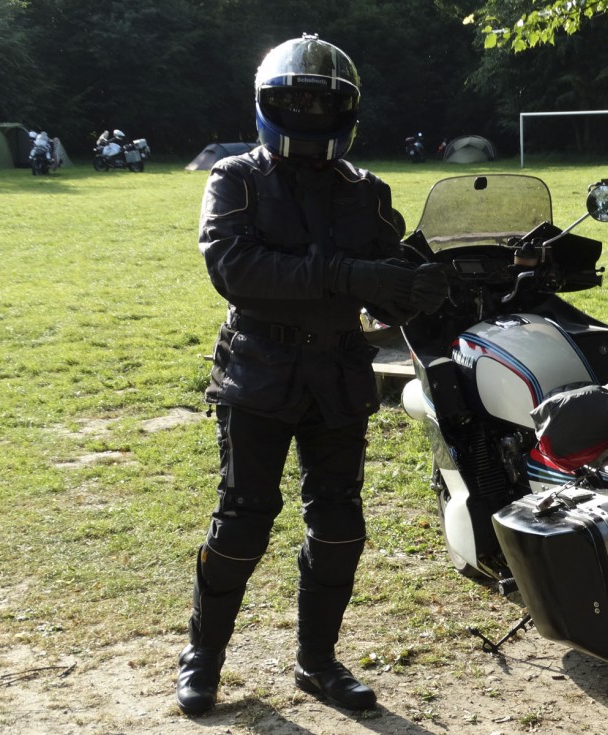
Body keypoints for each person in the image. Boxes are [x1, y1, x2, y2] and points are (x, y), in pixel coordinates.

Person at [174, 33, 449, 716]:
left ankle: (317, 660)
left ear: (344, 112)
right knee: (243, 520)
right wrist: (350, 275)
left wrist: (429, 281)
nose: (309, 112)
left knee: (339, 524)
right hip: (259, 370)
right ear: (268, 105)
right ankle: (202, 657)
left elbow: (391, 284)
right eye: (295, 100)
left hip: (337, 372)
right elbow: (235, 271)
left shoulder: (368, 192)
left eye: (322, 102)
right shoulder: (235, 178)